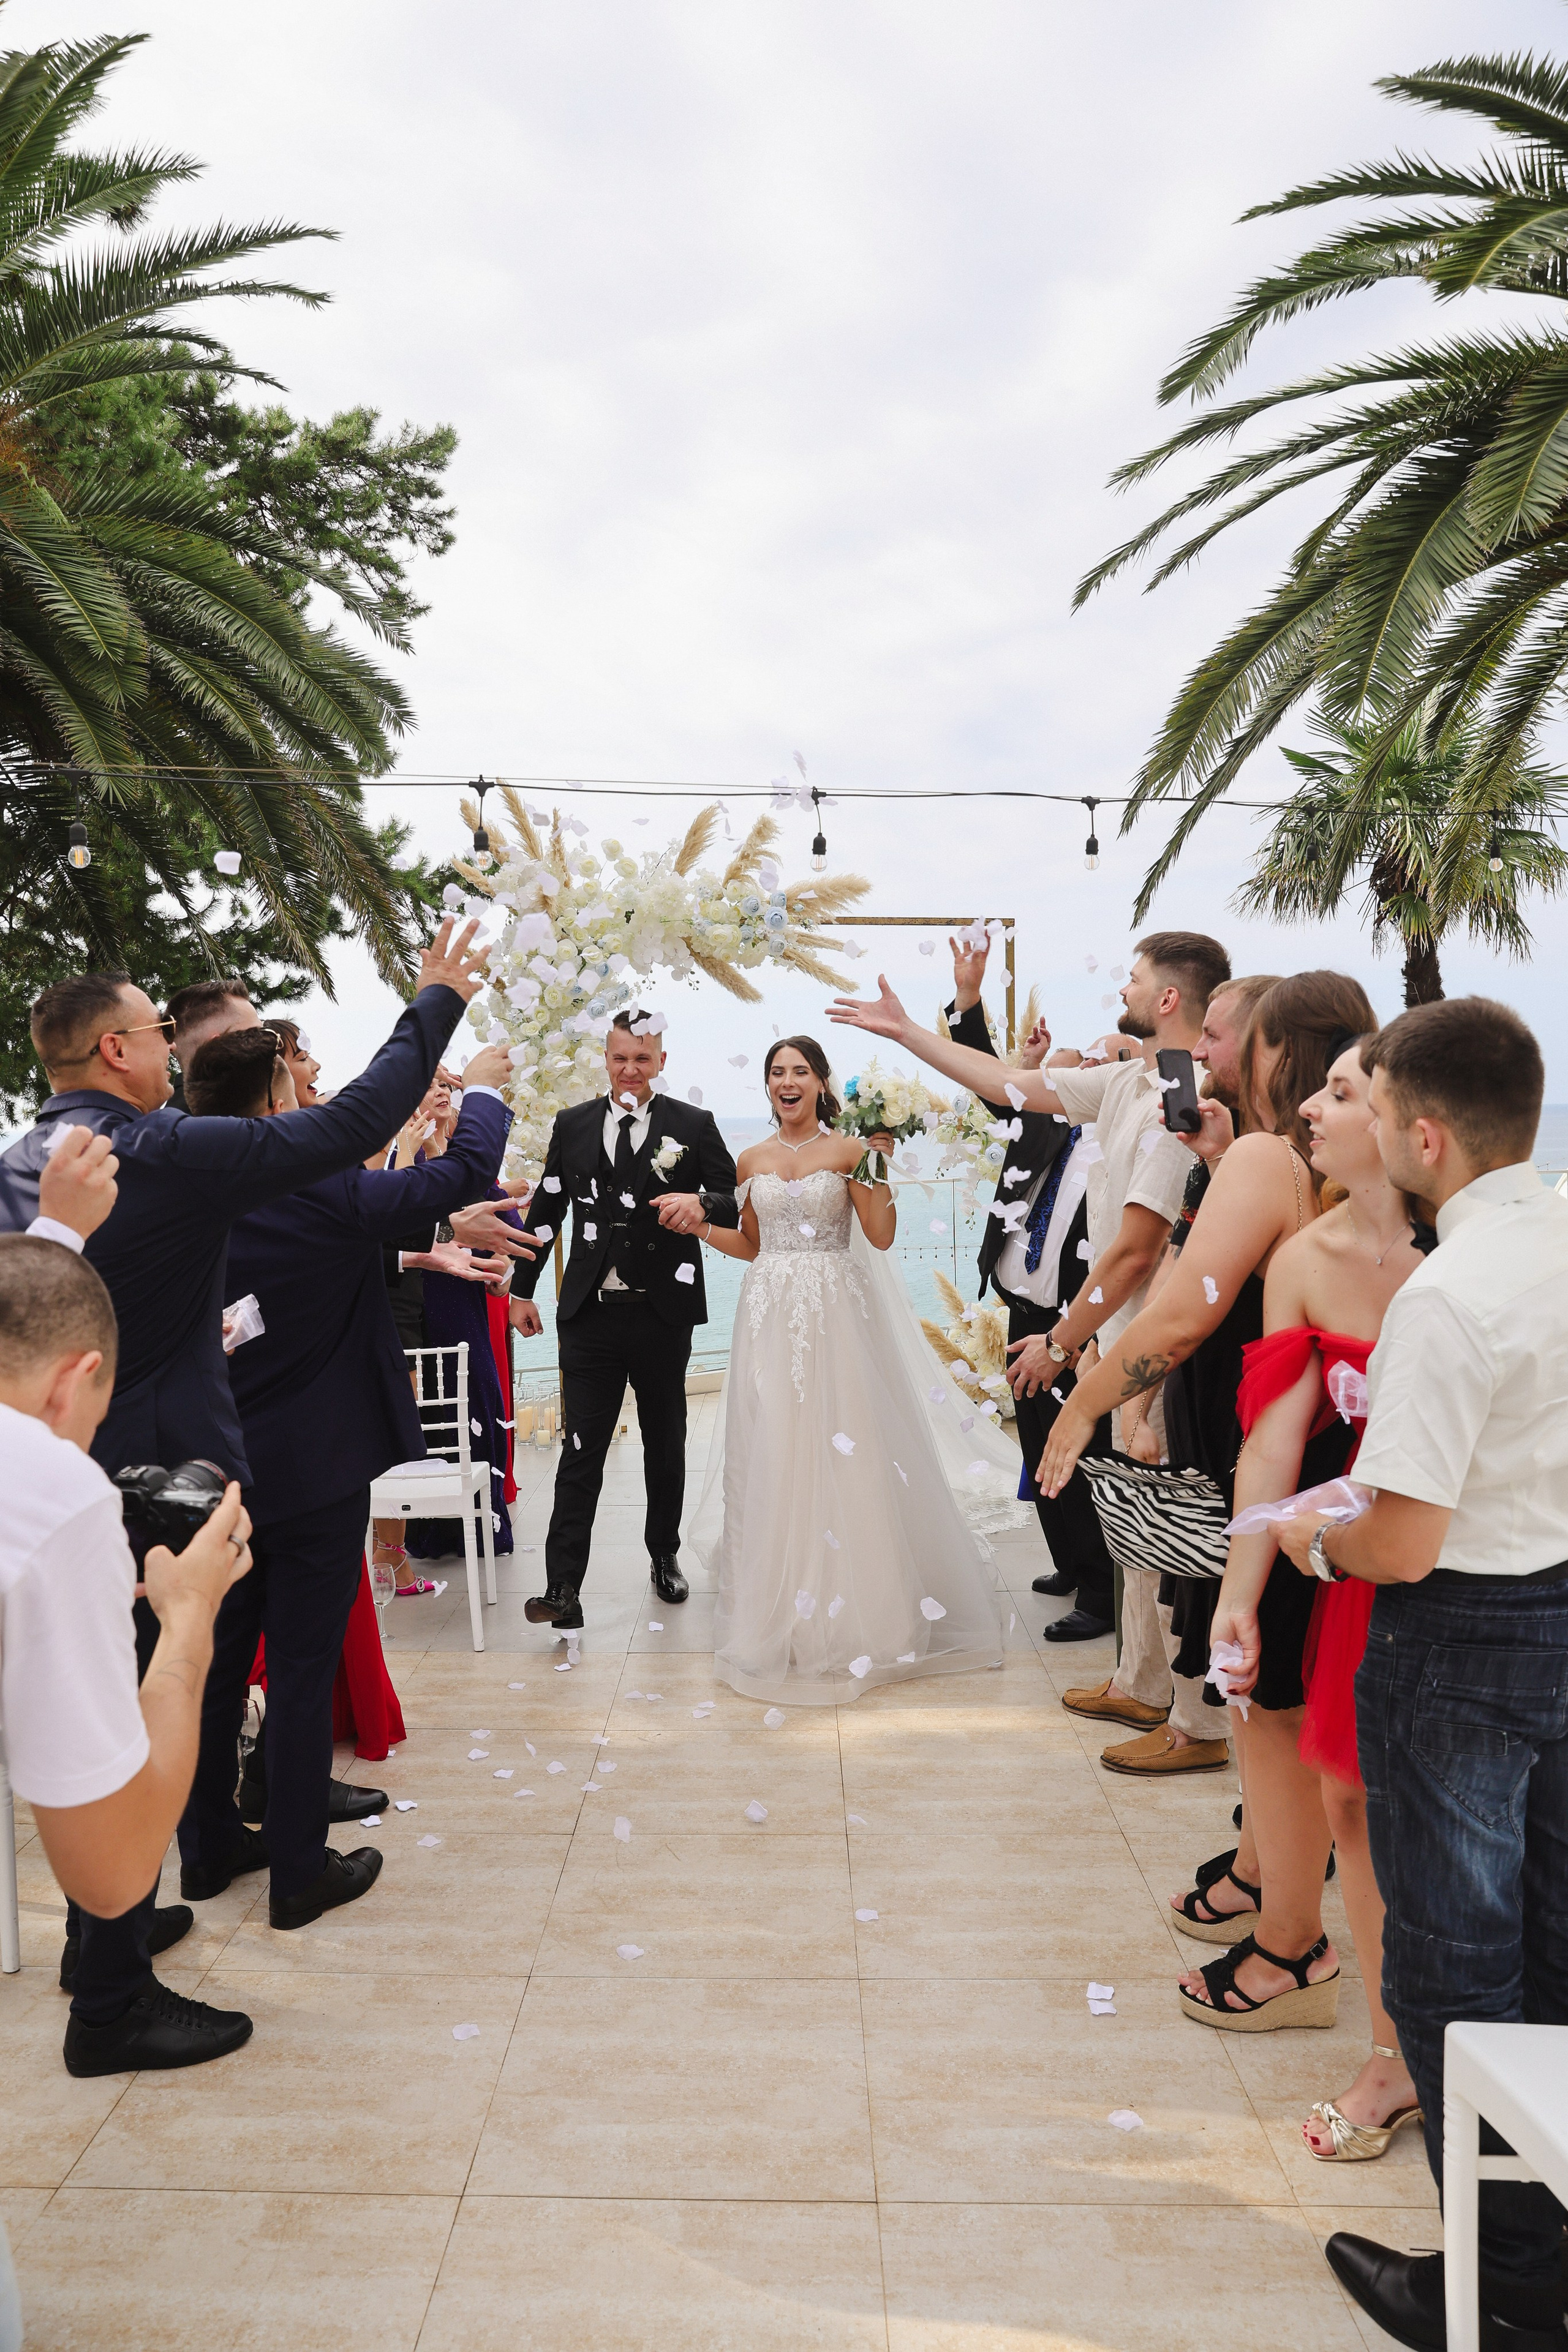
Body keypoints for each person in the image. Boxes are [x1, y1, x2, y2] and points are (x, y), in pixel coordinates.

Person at [0, 916, 491, 2072]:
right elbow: (352, 1127)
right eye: (153, 1032)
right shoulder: (160, 1148)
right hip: (155, 1482)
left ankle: (106, 1930)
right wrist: (435, 1000)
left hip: (48, 1472)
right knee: (134, 1714)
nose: (168, 1050)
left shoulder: (26, 1160)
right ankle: (112, 2002)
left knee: (101, 1706)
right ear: (115, 1051)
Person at [1257, 1000, 1568, 2352]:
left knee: (1453, 1969)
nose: (1367, 1130)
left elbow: (1402, 1541)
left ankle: (1499, 2293)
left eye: (1376, 1109)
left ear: (1426, 1136)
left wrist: (1313, 1541)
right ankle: (1544, 2252)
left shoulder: (1446, 1297)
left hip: (1461, 1641)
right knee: (1553, 1950)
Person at [175, 1024, 518, 1929]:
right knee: (299, 1668)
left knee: (214, 1668)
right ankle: (298, 1873)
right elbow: (459, 1173)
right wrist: (485, 1093)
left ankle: (207, 1852)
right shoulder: (311, 1183)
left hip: (213, 1467)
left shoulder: (176, 1184)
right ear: (275, 1102)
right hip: (314, 1467)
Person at [831, 932, 1227, 1706]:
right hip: (1112, 1337)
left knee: (1162, 1530)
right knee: (1136, 1527)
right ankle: (1138, 1682)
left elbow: (1136, 1252)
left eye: (1135, 979)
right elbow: (1009, 1085)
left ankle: (1186, 1715)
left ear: (1167, 998)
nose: (1123, 990)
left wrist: (1059, 1342)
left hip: (1155, 1346)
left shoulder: (1182, 1098)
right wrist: (907, 1031)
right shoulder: (1127, 1080)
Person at [1039, 973, 1376, 1812]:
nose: (1199, 1054)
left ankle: (1278, 1879)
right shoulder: (1304, 1162)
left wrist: (1085, 1402)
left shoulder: (1268, 1158)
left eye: (1222, 1037)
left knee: (1268, 1692)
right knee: (1291, 1680)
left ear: (1275, 1050)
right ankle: (1265, 1858)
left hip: (1263, 1446)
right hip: (1315, 1444)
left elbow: (1184, 1315)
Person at [1195, 1038, 1422, 2146]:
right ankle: (1394, 2054)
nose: (1311, 1112)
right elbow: (1273, 1445)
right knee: (1352, 1806)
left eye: (1340, 1092)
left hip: (1474, 1562)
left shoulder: (1468, 1258)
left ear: (1410, 1120)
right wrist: (1238, 1596)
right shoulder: (1303, 1258)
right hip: (1354, 1567)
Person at [0, 1235, 255, 2091]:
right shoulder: (52, 1489)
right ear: (76, 1379)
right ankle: (112, 2008)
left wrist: (61, 1228)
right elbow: (111, 1873)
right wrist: (190, 1617)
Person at [691, 1035, 1004, 1701]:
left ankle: (866, 1616)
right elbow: (751, 1245)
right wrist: (698, 1229)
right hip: (768, 1314)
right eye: (777, 1072)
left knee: (847, 1446)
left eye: (800, 1071)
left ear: (821, 1082)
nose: (787, 1081)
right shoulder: (751, 1158)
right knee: (776, 1446)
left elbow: (881, 1236)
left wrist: (877, 1168)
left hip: (836, 1314)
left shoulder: (851, 1151)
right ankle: (778, 1610)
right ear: (768, 1085)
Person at [510, 1008, 741, 1630]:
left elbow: (732, 1200)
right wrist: (521, 1290)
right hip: (588, 1314)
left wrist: (700, 1201)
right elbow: (546, 1211)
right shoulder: (574, 1124)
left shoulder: (692, 1125)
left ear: (661, 1061)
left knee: (665, 1442)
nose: (631, 1069)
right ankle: (563, 1587)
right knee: (579, 1448)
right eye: (620, 1058)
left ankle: (663, 1555)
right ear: (606, 1060)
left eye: (642, 1058)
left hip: (662, 1315)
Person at [940, 934, 1115, 1636]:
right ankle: (1068, 1561)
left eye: (1104, 1060)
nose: (1089, 1066)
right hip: (1024, 1315)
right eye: (1086, 1057)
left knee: (1082, 1454)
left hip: (1078, 1326)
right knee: (1038, 1446)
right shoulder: (1043, 1127)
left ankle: (1100, 1593)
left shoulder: (1127, 1146)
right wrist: (968, 998)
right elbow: (996, 1084)